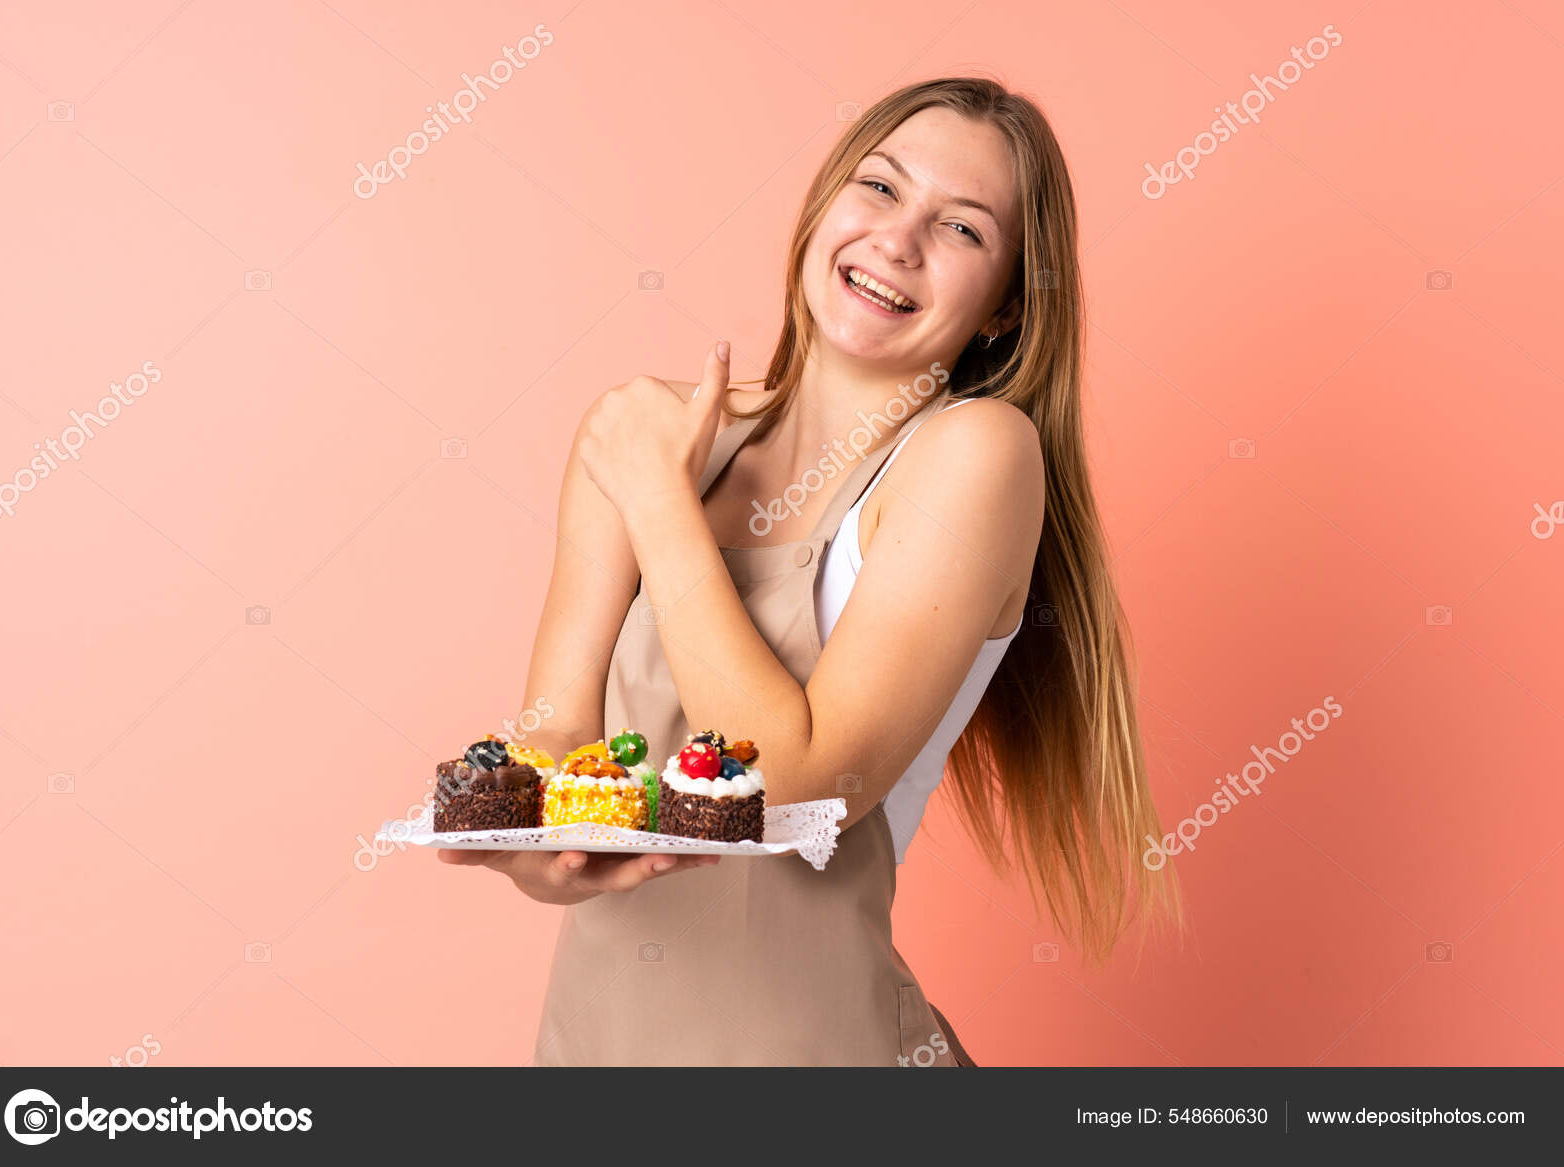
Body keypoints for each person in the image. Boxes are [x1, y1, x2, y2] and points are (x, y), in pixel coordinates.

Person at [439, 76, 1183, 1066]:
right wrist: (533, 850)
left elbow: (794, 788)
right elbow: (555, 736)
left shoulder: (974, 457)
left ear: (1004, 307)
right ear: (823, 206)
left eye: (960, 229)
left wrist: (661, 504)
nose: (897, 240)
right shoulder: (646, 433)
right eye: (878, 188)